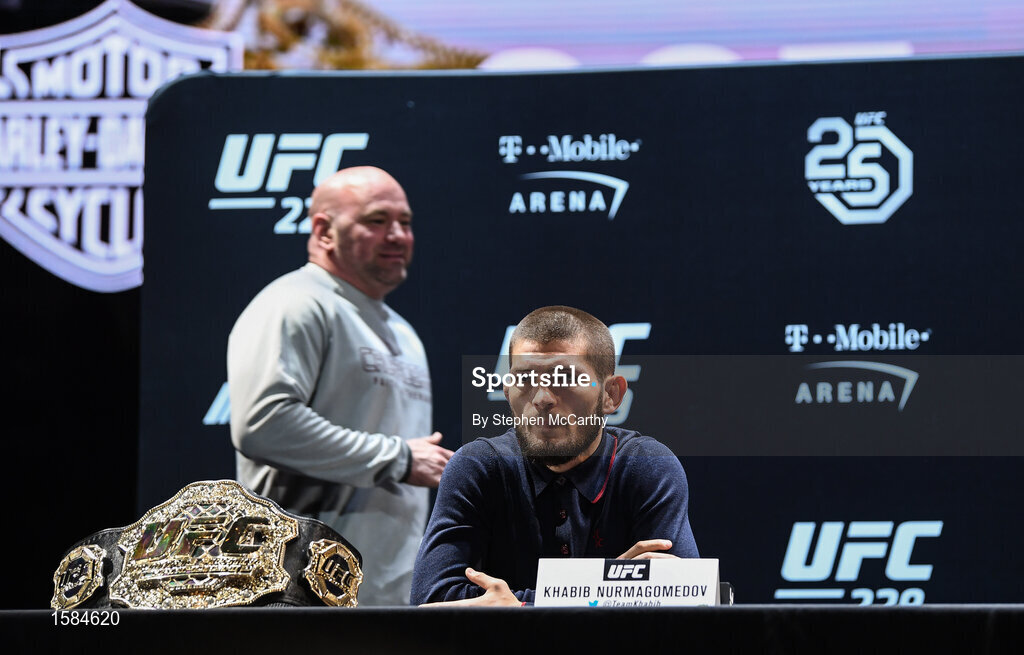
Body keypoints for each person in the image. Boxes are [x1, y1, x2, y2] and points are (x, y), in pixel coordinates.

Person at [227, 166, 453, 606]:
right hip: (299, 595)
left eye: (405, 222)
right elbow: (263, 425)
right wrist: (399, 458)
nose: (397, 235)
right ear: (323, 230)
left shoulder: (403, 332)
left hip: (387, 595)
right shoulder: (294, 303)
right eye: (376, 220)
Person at [411, 306, 698, 606]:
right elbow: (431, 601)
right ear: (507, 392)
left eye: (566, 378)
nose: (542, 398)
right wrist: (611, 591)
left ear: (611, 394)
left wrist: (521, 609)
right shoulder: (478, 466)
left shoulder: (647, 465)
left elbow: (684, 601)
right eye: (524, 380)